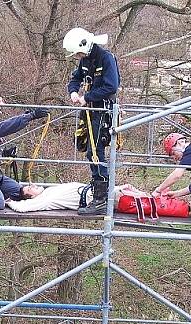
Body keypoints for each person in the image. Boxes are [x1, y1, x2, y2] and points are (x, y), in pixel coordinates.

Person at [63, 27, 120, 215]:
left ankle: (102, 197)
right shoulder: (86, 60)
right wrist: (73, 92)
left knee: (95, 151)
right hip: (91, 111)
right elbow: (75, 78)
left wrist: (87, 96)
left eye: (78, 53)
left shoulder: (106, 58)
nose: (77, 57)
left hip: (103, 111)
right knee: (90, 150)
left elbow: (111, 86)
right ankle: (99, 193)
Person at [6, 183, 139, 213]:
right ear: (31, 197)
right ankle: (156, 202)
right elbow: (23, 207)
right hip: (98, 198)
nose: (34, 185)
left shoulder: (50, 191)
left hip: (100, 191)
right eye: (30, 188)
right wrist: (9, 202)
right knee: (130, 197)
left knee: (127, 188)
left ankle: (156, 199)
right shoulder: (45, 200)